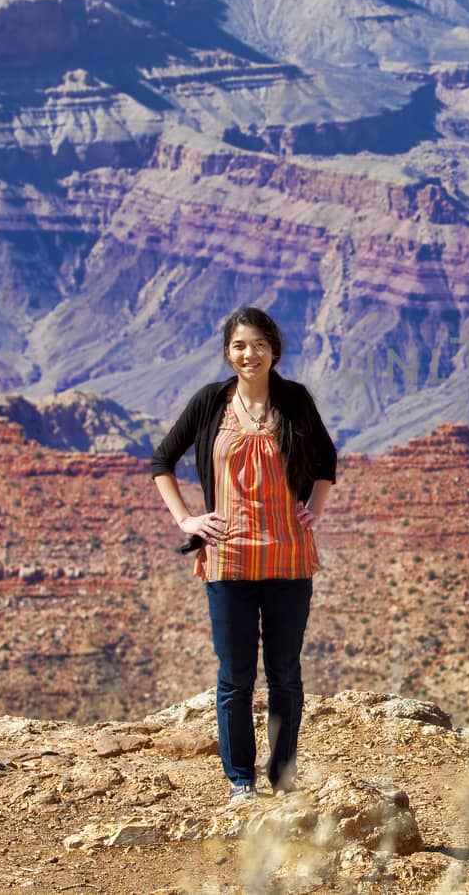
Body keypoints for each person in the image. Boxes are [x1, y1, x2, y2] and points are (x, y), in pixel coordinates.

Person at [149, 306, 337, 801]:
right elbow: (161, 461)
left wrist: (313, 509)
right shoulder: (211, 402)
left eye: (257, 344)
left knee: (285, 674)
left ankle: (283, 776)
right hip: (228, 559)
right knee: (235, 677)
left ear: (274, 349)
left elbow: (326, 459)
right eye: (238, 346)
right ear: (227, 353)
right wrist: (186, 520)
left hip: (288, 557)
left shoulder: (294, 400)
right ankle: (240, 781)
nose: (248, 354)